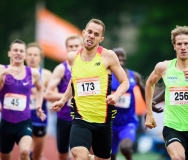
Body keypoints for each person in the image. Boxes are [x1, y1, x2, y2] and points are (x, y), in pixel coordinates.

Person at [51, 18, 130, 160]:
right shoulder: (72, 58)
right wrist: (63, 100)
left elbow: (124, 81)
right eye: (89, 32)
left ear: (101, 38)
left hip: (103, 120)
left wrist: (117, 95)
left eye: (96, 34)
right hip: (81, 119)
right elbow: (74, 81)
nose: (91, 36)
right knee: (78, 155)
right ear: (83, 33)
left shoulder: (108, 56)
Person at [145, 26, 188, 160]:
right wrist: (149, 113)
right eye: (179, 44)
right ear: (174, 46)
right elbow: (149, 83)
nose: (183, 47)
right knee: (178, 157)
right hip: (172, 127)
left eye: (186, 43)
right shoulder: (163, 67)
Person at [0, 39, 46, 160]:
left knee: (24, 151)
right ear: (9, 53)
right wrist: (2, 73)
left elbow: (40, 88)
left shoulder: (33, 73)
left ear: (25, 55)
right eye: (15, 50)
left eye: (21, 51)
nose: (18, 53)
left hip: (24, 123)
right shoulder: (0, 69)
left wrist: (38, 106)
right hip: (6, 125)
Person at [111, 47, 163, 160]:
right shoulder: (107, 76)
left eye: (122, 56)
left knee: (125, 147)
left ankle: (129, 158)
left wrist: (150, 106)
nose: (120, 58)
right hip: (109, 122)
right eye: (117, 56)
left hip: (127, 121)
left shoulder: (134, 76)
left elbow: (145, 91)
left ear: (125, 58)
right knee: (111, 155)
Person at [44, 35, 83, 160]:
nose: (73, 49)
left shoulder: (89, 68)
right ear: (66, 48)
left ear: (81, 47)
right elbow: (48, 94)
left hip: (84, 117)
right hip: (64, 119)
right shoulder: (61, 69)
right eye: (70, 46)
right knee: (62, 155)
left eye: (76, 46)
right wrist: (67, 97)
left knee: (82, 153)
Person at [26, 42, 52, 160]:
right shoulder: (18, 73)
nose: (32, 57)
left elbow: (53, 94)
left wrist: (41, 92)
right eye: (29, 54)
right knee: (24, 152)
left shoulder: (46, 74)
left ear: (40, 58)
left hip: (39, 119)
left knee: (37, 156)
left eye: (35, 55)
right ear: (25, 56)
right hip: (22, 119)